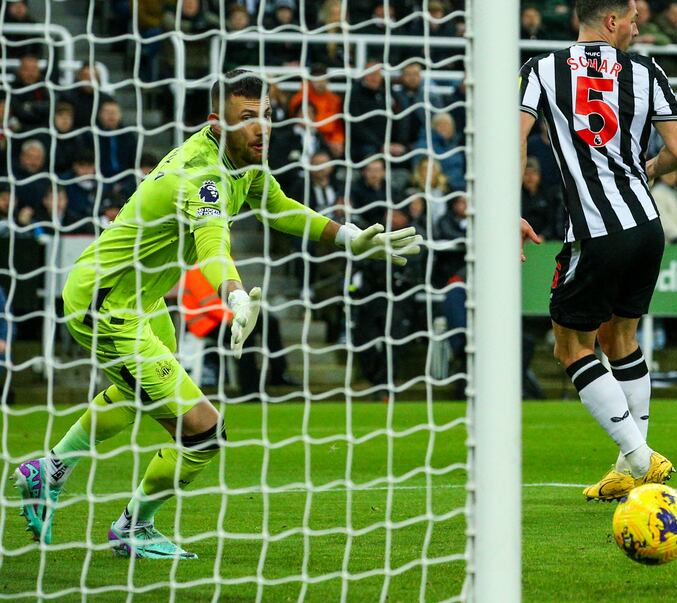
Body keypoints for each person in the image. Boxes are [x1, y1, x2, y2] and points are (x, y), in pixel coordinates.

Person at [12, 70, 422, 558]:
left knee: (140, 398)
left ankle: (49, 471)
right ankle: (130, 528)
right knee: (204, 432)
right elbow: (212, 245)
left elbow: (279, 208)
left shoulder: (243, 162)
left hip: (136, 300)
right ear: (216, 123)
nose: (261, 128)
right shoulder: (202, 175)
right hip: (107, 309)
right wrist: (234, 294)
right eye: (247, 118)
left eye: (266, 116)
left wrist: (351, 237)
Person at [518, 0, 677, 502]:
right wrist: (651, 168)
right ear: (611, 21)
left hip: (595, 229)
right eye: (633, 19)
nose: (638, 28)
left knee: (571, 344)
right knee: (622, 339)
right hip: (647, 224)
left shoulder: (542, 70)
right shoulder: (646, 72)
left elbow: (514, 134)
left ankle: (640, 456)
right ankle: (626, 467)